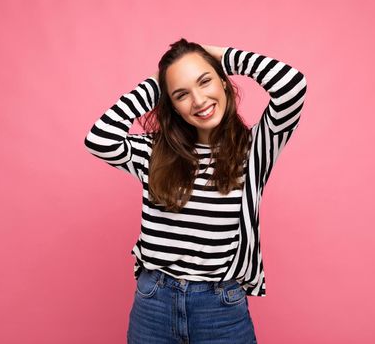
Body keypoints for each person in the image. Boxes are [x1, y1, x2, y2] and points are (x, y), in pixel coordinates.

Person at [84, 38, 307, 343]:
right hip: (154, 301)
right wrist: (157, 85)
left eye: (205, 81)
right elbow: (99, 139)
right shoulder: (152, 151)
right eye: (181, 94)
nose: (199, 100)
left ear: (225, 84)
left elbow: (292, 85)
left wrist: (223, 57)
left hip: (221, 306)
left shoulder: (255, 149)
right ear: (171, 106)